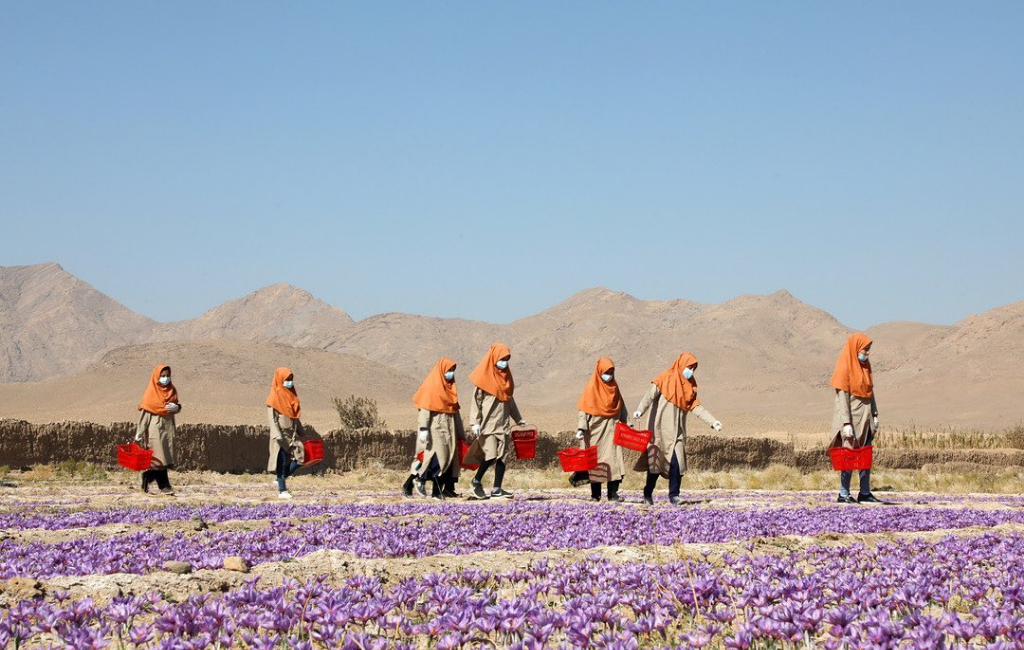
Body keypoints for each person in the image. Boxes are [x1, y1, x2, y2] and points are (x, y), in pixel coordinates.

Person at [633, 352, 722, 505]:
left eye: (693, 369)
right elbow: (649, 396)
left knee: (678, 464)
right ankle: (648, 493)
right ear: (681, 365)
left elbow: (697, 407)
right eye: (689, 367)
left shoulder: (690, 386)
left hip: (677, 432)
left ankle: (674, 496)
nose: (691, 371)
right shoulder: (664, 378)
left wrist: (713, 422)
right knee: (656, 465)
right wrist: (640, 410)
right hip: (660, 430)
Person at [468, 343, 528, 500]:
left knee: (502, 457)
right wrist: (475, 422)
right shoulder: (483, 380)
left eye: (507, 359)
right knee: (491, 455)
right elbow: (476, 401)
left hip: (503, 425)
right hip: (488, 425)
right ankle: (476, 481)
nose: (504, 362)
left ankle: (496, 489)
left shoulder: (507, 379)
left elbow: (510, 401)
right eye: (502, 359)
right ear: (494, 358)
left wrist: (519, 419)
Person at [829, 333, 881, 504]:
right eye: (865, 349)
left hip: (866, 419)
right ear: (856, 348)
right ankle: (843, 493)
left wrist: (874, 414)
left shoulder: (865, 367)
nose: (867, 353)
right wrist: (846, 423)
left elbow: (870, 392)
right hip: (852, 419)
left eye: (868, 350)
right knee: (848, 455)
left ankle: (865, 492)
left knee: (865, 456)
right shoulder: (844, 368)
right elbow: (842, 398)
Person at [403, 357, 464, 500]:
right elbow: (425, 409)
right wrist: (423, 429)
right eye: (448, 370)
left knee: (444, 461)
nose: (450, 374)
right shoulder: (431, 388)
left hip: (449, 432)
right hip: (435, 431)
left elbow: (456, 414)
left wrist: (460, 434)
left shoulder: (450, 390)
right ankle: (434, 490)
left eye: (452, 371)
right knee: (437, 460)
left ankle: (410, 484)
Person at [574, 357, 628, 502]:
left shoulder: (614, 388)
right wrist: (581, 428)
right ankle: (595, 495)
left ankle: (613, 494)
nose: (608, 375)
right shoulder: (592, 388)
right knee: (596, 464)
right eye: (606, 372)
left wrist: (627, 422)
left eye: (611, 372)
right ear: (599, 372)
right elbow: (583, 410)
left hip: (612, 430)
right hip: (595, 432)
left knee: (613, 463)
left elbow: (621, 406)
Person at [135, 365, 181, 496]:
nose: (165, 378)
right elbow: (145, 415)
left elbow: (176, 406)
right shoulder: (151, 393)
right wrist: (140, 432)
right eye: (163, 376)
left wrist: (177, 407)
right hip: (155, 430)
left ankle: (147, 478)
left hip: (168, 429)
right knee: (159, 459)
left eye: (167, 375)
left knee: (164, 459)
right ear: (157, 377)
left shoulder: (172, 390)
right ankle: (164, 486)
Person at [266, 367, 306, 500]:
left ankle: (280, 478)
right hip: (281, 435)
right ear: (280, 379)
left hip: (292, 434)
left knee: (301, 457)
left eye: (291, 379)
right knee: (282, 461)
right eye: (287, 379)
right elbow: (272, 418)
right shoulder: (274, 397)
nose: (289, 382)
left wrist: (301, 431)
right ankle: (282, 490)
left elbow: (295, 417)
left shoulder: (291, 396)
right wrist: (276, 434)